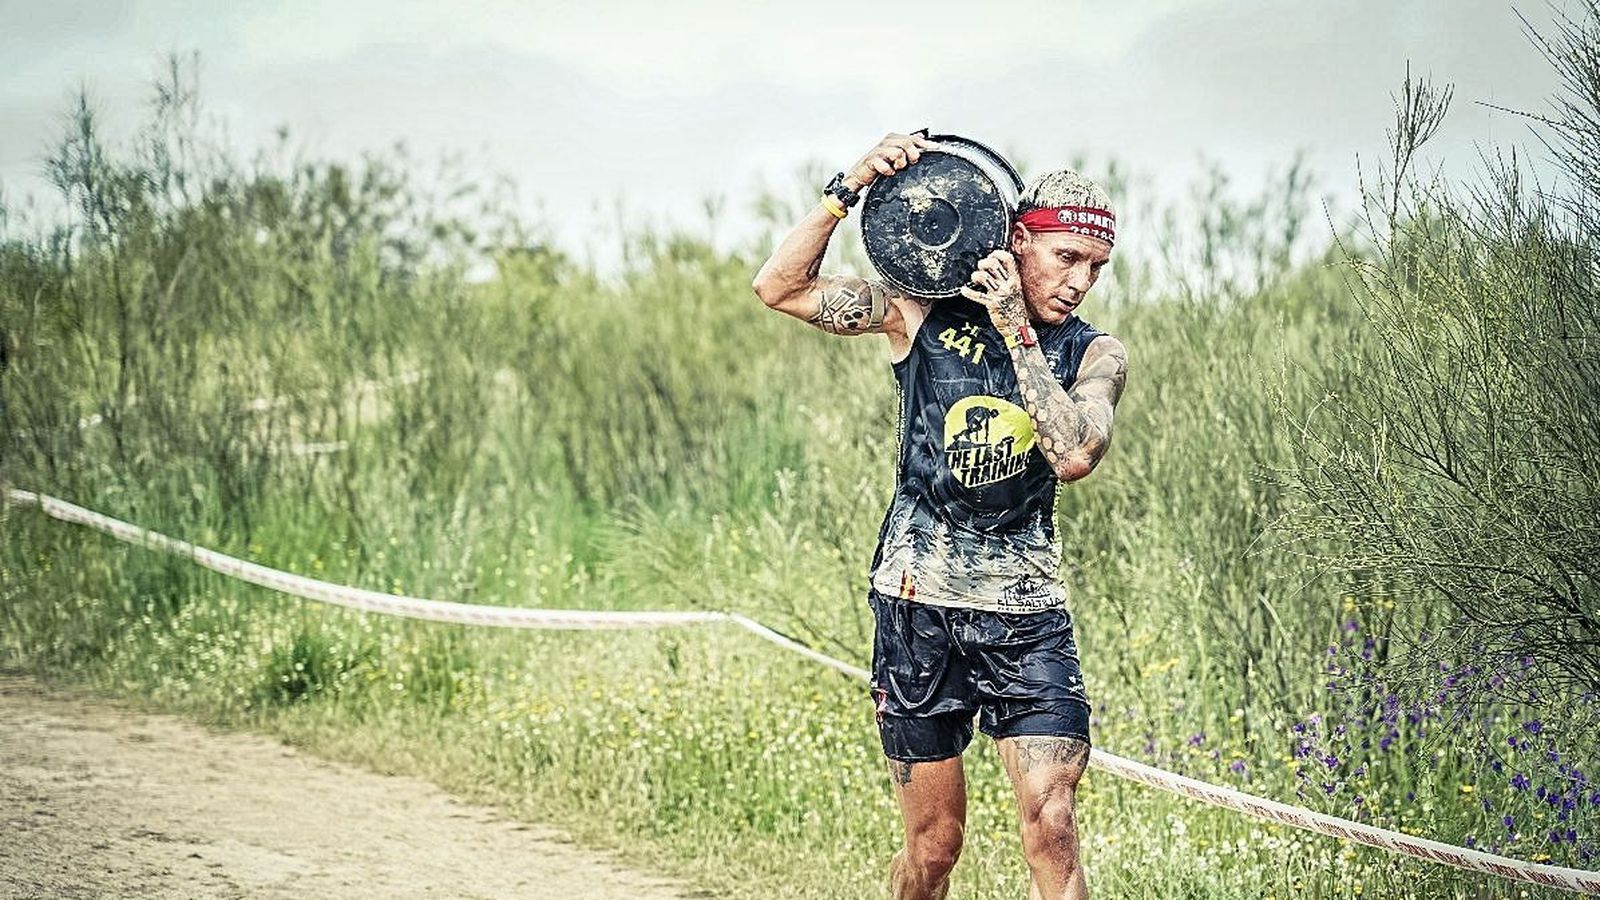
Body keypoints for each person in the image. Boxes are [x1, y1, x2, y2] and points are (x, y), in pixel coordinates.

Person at [752, 132, 1128, 900]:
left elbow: (1073, 454)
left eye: (1096, 266)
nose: (1080, 282)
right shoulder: (918, 312)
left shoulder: (1095, 354)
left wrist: (1017, 327)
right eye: (1066, 258)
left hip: (1027, 617)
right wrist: (850, 186)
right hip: (917, 607)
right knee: (933, 849)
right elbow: (779, 287)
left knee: (1053, 821)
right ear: (1015, 240)